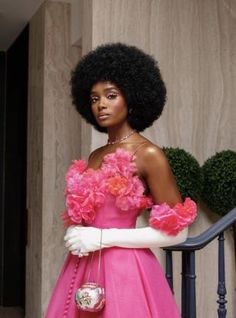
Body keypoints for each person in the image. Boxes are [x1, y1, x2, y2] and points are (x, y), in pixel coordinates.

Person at [45, 43, 197, 318]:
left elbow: (178, 233)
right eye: (93, 98)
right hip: (81, 270)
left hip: (126, 272)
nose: (101, 104)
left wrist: (103, 236)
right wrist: (77, 232)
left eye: (111, 95)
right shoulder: (95, 155)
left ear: (132, 96)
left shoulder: (148, 154)